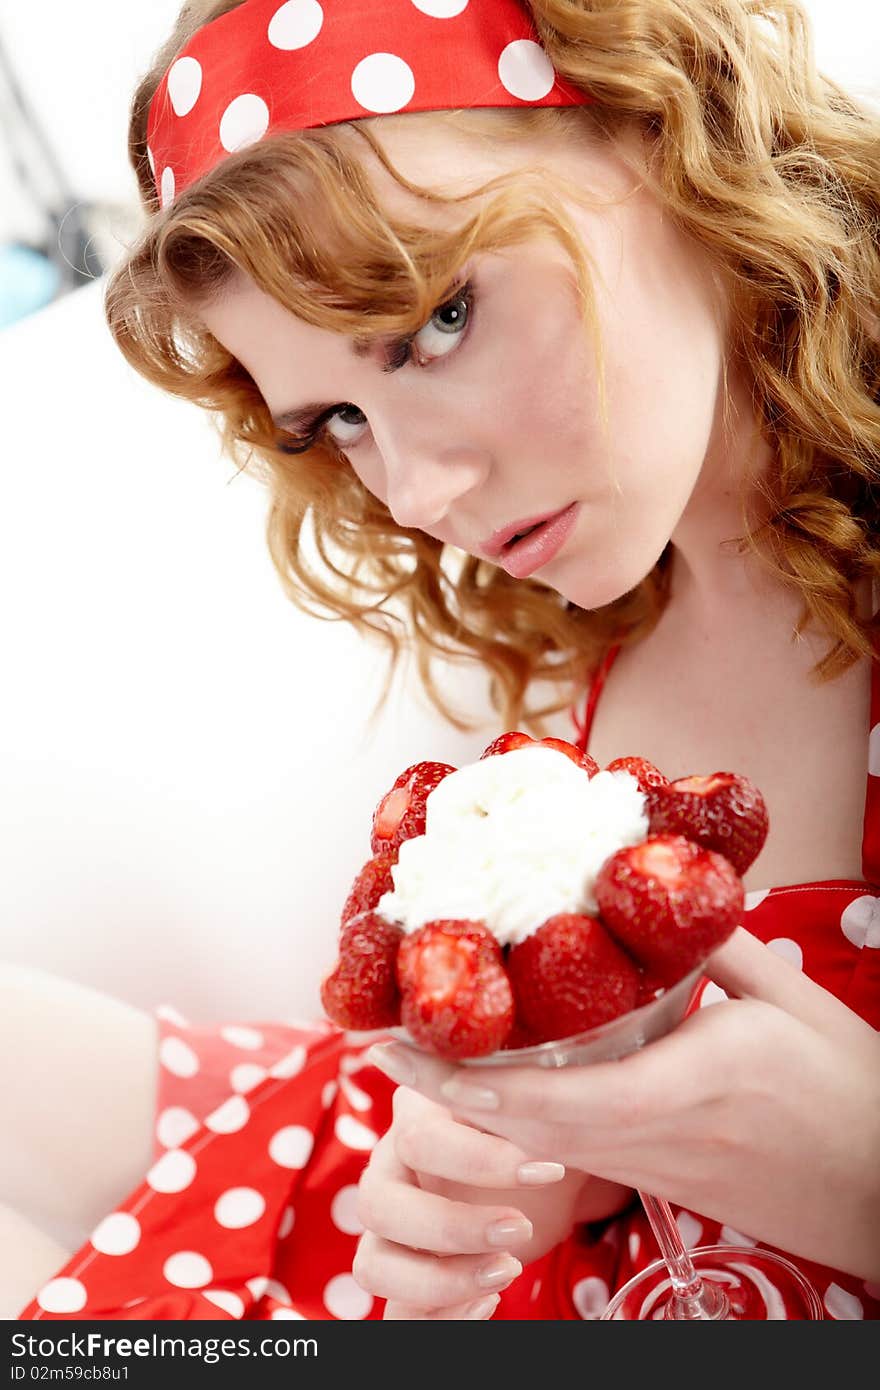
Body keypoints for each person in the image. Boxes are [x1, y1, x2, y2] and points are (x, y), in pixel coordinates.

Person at [5, 0, 879, 1321]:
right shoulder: (619, 630)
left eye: (441, 319)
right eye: (341, 418)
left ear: (657, 130)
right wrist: (516, 1187)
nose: (412, 489)